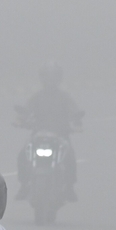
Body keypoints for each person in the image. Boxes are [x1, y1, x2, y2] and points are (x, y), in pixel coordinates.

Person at [15, 63, 82, 202]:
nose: (50, 81)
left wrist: (76, 121)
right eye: (47, 78)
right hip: (39, 134)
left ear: (58, 79)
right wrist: (21, 120)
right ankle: (24, 185)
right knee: (22, 156)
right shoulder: (37, 97)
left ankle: (69, 188)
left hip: (61, 135)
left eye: (53, 78)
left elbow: (74, 110)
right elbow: (26, 110)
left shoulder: (65, 97)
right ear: (42, 79)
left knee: (70, 158)